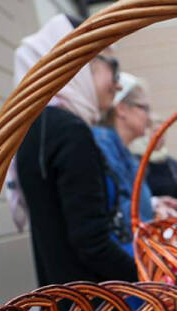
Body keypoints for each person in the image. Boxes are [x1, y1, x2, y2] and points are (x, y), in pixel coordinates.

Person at [14, 15, 139, 288]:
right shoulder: (69, 131)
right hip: (90, 310)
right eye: (113, 68)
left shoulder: (35, 128)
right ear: (81, 62)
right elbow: (91, 242)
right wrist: (149, 277)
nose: (117, 85)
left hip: (60, 305)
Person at [93, 73, 177, 258]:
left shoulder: (124, 153)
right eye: (144, 108)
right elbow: (119, 215)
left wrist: (153, 205)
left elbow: (130, 199)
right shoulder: (104, 147)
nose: (149, 118)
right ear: (122, 109)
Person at [130, 118, 177, 214]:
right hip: (149, 219)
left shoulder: (173, 164)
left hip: (172, 218)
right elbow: (133, 196)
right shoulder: (137, 162)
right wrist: (156, 202)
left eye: (163, 132)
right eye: (155, 131)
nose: (159, 135)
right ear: (147, 133)